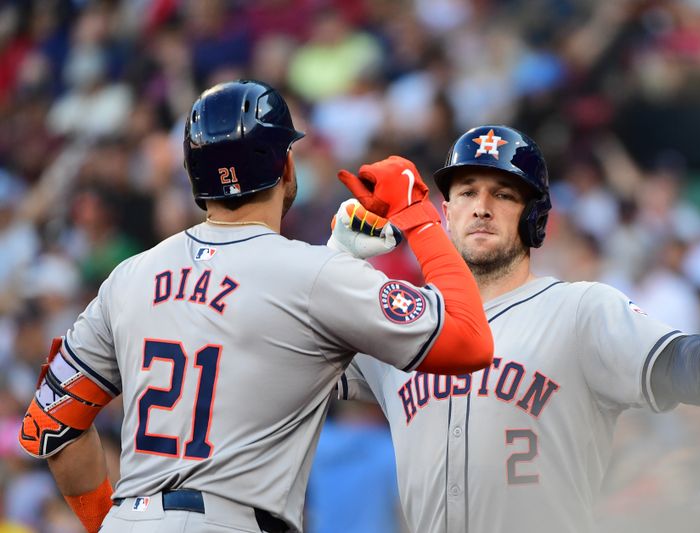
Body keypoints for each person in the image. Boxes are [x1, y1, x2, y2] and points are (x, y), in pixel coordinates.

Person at [16, 80, 494, 533]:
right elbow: (469, 342)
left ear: (192, 175)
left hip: (131, 517)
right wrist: (419, 215)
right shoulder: (313, 275)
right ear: (286, 168)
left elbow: (52, 424)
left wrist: (113, 525)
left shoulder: (130, 276)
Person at [330, 125, 700, 533]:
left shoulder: (579, 309)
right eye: (467, 192)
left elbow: (677, 365)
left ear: (533, 216)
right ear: (445, 211)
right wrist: (335, 261)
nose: (481, 208)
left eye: (503, 195)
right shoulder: (406, 317)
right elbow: (288, 357)